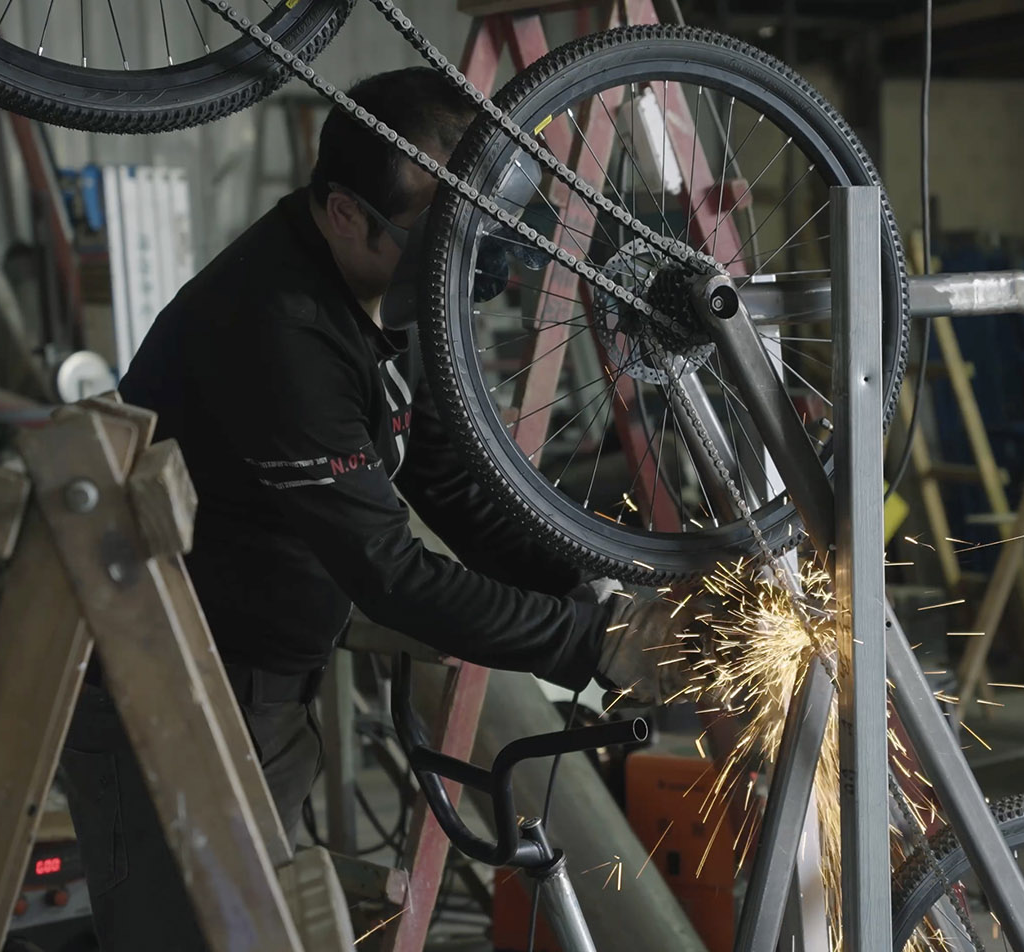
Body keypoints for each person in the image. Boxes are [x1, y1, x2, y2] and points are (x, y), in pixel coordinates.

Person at [58, 66, 704, 951]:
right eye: (439, 241)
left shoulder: (397, 294)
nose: (470, 270)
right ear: (344, 214)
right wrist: (593, 647)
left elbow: (448, 480)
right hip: (166, 703)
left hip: (258, 691)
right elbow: (389, 572)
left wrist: (594, 585)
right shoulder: (277, 332)